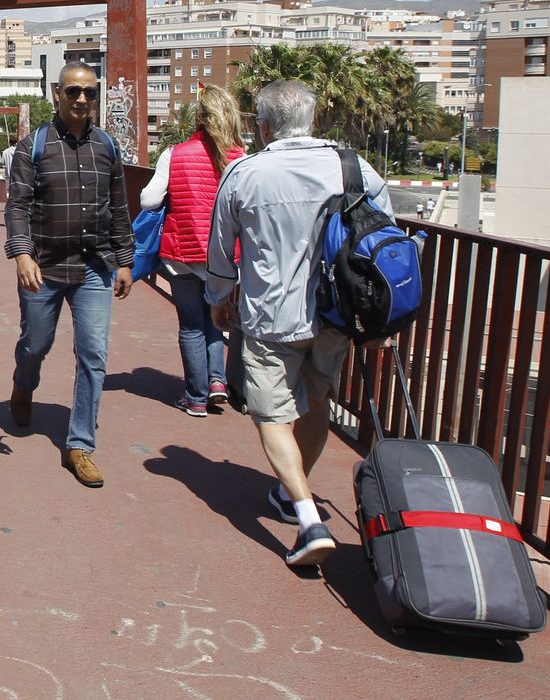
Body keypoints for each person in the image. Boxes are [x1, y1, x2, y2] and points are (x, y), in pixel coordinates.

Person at [206, 79, 393, 569]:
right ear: (312, 119)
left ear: (263, 126)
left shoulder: (246, 173)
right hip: (335, 314)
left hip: (270, 316)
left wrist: (219, 299)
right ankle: (293, 496)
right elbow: (387, 241)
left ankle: (309, 519)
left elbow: (222, 251)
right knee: (316, 402)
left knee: (271, 415)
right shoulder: (356, 168)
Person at [4, 63, 134, 488]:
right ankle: (24, 386)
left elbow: (118, 209)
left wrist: (125, 261)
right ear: (57, 93)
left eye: (90, 93)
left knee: (94, 355)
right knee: (35, 344)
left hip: (94, 267)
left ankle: (80, 445)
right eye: (74, 91)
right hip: (43, 266)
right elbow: (17, 206)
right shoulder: (33, 147)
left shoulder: (108, 148)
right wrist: (22, 255)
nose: (82, 100)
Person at [139, 85, 246, 417]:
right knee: (217, 319)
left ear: (198, 118)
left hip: (182, 253)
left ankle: (196, 396)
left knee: (190, 324)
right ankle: (217, 382)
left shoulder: (175, 153)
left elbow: (148, 200)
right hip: (225, 257)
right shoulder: (241, 157)